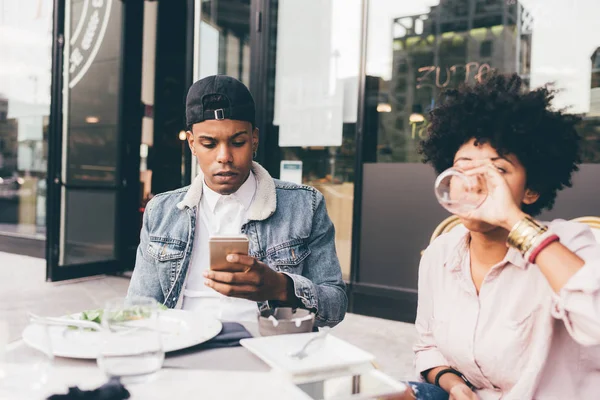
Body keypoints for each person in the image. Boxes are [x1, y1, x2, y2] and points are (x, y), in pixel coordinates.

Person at [411, 73, 600, 399]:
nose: (474, 182)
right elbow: (426, 345)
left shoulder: (569, 245)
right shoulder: (440, 253)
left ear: (531, 189)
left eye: (498, 170)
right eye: (463, 166)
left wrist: (514, 220)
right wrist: (453, 383)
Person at [127, 75, 347, 327]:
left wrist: (281, 287)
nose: (224, 157)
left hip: (268, 348)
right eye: (209, 144)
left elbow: (336, 306)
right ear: (192, 143)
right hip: (184, 347)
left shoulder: (304, 206)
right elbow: (138, 308)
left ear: (254, 139)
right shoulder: (162, 211)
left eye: (238, 142)